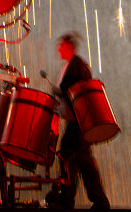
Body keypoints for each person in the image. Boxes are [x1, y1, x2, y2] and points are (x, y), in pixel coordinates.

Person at [49, 32, 110, 209]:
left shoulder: (75, 66)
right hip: (80, 122)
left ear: (68, 47)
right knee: (82, 159)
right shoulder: (75, 65)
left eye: (61, 47)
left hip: (78, 122)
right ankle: (99, 200)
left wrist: (60, 94)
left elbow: (75, 91)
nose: (58, 50)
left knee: (68, 155)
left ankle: (68, 198)